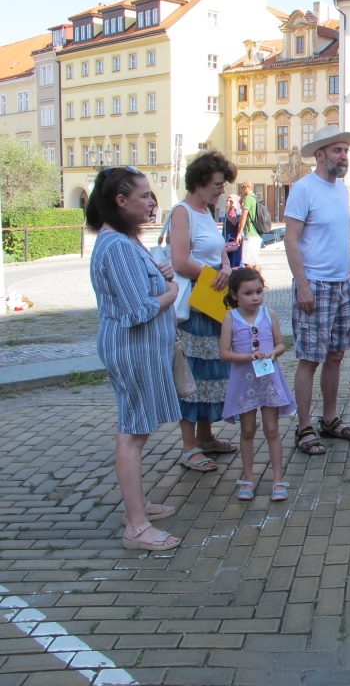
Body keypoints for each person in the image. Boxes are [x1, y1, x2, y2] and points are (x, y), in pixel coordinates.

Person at [87, 166, 182, 551]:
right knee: (133, 434)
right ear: (120, 202)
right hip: (132, 349)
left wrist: (160, 275)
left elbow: (137, 290)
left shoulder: (124, 241)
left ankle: (138, 507)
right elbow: (136, 312)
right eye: (143, 196)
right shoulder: (118, 246)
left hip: (139, 349)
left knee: (136, 429)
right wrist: (171, 292)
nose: (151, 202)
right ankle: (136, 526)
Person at [283, 125, 350, 455]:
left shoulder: (341, 190)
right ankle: (304, 428)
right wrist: (302, 285)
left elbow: (338, 238)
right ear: (320, 155)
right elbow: (291, 239)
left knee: (335, 356)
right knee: (309, 359)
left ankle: (329, 420)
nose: (343, 156)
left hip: (342, 284)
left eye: (345, 150)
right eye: (337, 151)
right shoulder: (304, 189)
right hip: (314, 285)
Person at [169, 151, 237, 473]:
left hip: (212, 303)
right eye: (217, 184)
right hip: (195, 307)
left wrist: (224, 266)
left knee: (212, 373)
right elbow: (180, 261)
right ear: (200, 182)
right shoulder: (182, 212)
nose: (222, 190)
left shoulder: (206, 211)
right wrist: (213, 275)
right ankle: (189, 446)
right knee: (193, 375)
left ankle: (207, 436)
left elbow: (218, 251)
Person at [220, 267, 296, 502]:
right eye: (248, 293)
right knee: (248, 430)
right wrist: (246, 358)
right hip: (244, 382)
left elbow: (280, 344)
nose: (255, 297)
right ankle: (248, 478)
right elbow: (224, 353)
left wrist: (273, 353)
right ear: (234, 295)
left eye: (258, 292)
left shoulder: (269, 314)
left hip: (268, 379)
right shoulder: (230, 318)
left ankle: (277, 478)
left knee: (272, 430)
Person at [237, 180, 262, 271]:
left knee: (247, 263)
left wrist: (239, 233)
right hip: (256, 234)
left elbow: (243, 218)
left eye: (242, 187)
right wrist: (242, 198)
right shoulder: (254, 198)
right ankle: (260, 283)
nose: (241, 190)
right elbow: (240, 203)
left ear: (246, 187)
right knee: (256, 262)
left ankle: (252, 283)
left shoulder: (248, 199)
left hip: (249, 233)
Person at [223, 194, 242, 269]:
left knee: (235, 263)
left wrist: (235, 207)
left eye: (231, 201)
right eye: (228, 201)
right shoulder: (228, 213)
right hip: (227, 241)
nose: (228, 203)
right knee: (228, 262)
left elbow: (239, 224)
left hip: (235, 242)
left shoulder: (238, 212)